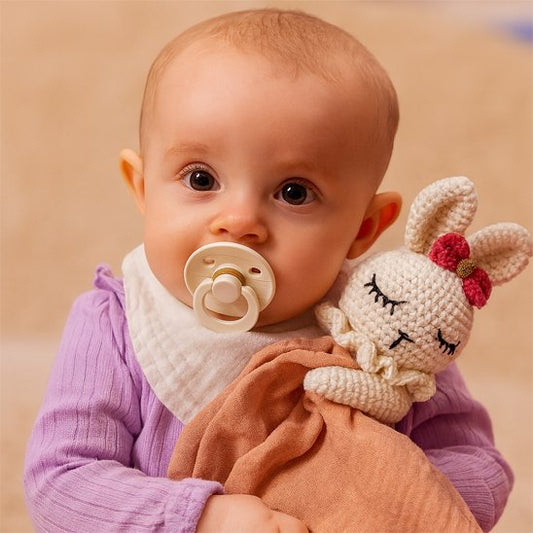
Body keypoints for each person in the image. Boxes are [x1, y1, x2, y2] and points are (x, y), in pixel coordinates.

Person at [24, 9, 512, 532]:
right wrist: (203, 519)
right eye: (201, 179)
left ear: (364, 228)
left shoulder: (387, 331)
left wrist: (381, 502)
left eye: (293, 192)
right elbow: (60, 482)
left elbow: (481, 469)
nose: (239, 221)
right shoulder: (116, 324)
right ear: (142, 189)